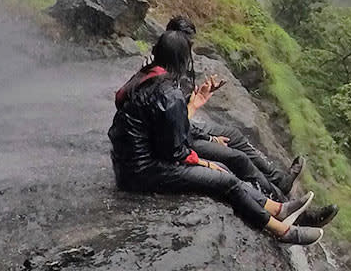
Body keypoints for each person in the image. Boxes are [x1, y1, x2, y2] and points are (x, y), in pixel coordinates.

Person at [109, 31, 335, 245]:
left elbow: (165, 135)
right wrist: (205, 162)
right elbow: (175, 151)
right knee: (224, 179)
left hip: (130, 164)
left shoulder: (148, 76)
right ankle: (282, 231)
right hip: (140, 173)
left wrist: (195, 107)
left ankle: (277, 208)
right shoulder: (168, 93)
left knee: (224, 170)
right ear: (181, 59)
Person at [165, 16, 303, 199]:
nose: (189, 49)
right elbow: (171, 123)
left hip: (183, 125)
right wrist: (211, 138)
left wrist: (197, 96)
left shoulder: (174, 63)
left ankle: (279, 181)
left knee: (234, 135)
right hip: (176, 137)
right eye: (187, 44)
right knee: (237, 159)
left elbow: (179, 109)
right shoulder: (164, 75)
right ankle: (278, 200)